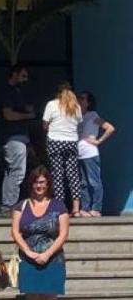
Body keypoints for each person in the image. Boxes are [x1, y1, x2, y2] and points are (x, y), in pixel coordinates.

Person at [11, 166, 70, 300]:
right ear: (31, 184)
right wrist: (28, 251)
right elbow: (15, 232)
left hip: (53, 259)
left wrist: (47, 253)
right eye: (36, 182)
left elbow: (63, 234)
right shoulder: (22, 206)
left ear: (48, 184)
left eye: (43, 182)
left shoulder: (58, 206)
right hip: (28, 259)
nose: (39, 186)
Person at [0, 64, 35, 215]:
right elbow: (8, 114)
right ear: (14, 74)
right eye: (23, 76)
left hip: (19, 138)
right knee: (17, 172)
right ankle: (9, 205)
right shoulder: (7, 92)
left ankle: (8, 204)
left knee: (13, 172)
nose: (25, 80)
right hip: (13, 138)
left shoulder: (17, 92)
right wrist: (28, 115)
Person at [43, 83, 83, 216]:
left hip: (55, 141)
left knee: (57, 175)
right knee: (73, 175)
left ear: (58, 93)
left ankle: (60, 207)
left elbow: (45, 124)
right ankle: (76, 208)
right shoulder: (76, 106)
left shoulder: (52, 104)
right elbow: (78, 124)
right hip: (71, 142)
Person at [77, 91, 116, 217]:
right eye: (79, 98)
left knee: (94, 181)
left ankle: (96, 208)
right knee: (82, 183)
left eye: (82, 98)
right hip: (79, 153)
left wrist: (98, 141)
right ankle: (85, 208)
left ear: (88, 103)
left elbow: (110, 128)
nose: (79, 100)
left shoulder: (93, 115)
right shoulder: (78, 117)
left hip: (90, 153)